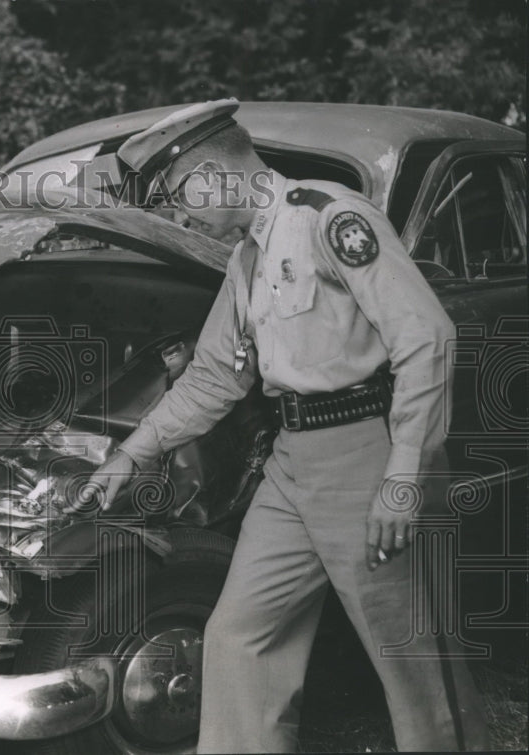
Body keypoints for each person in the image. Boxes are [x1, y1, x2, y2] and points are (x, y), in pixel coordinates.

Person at [76, 99, 488, 752]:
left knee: (412, 658)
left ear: (211, 177)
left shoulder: (331, 217)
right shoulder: (244, 261)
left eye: (180, 201)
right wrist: (132, 453)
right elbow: (214, 377)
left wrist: (404, 470)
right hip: (293, 463)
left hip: (368, 450)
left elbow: (426, 336)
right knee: (240, 636)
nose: (183, 218)